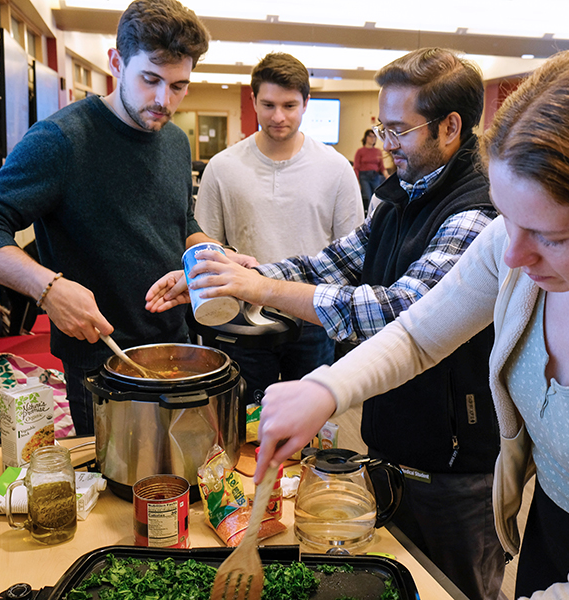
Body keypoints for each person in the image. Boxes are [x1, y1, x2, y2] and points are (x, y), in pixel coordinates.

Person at [255, 42, 569, 600]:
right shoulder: (513, 240)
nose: (511, 257)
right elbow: (418, 335)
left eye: (552, 237)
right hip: (548, 522)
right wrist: (324, 389)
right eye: (506, 216)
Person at [147, 48, 504, 600]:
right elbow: (332, 262)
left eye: (398, 130)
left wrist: (261, 289)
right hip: (394, 438)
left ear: (451, 126)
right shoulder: (401, 193)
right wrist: (234, 274)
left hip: (454, 461)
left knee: (454, 588)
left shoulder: (477, 210)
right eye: (381, 127)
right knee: (401, 579)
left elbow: (401, 311)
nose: (385, 144)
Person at [0, 0, 253, 436]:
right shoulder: (62, 140)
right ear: (116, 62)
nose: (164, 100)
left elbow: (179, 221)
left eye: (179, 85)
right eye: (150, 80)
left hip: (177, 344)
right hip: (103, 364)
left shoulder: (173, 141)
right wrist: (47, 289)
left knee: (185, 488)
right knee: (121, 495)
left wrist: (212, 254)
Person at [194, 52, 364, 401]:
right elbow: (206, 243)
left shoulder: (336, 169)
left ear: (306, 103)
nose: (279, 117)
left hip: (314, 316)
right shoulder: (223, 167)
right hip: (242, 316)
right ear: (253, 100)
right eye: (268, 104)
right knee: (243, 417)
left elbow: (353, 252)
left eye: (289, 105)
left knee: (310, 420)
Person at [353, 129, 388, 212]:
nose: (372, 138)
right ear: (366, 138)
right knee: (368, 197)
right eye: (370, 136)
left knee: (378, 197)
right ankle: (368, 217)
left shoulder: (378, 151)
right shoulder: (360, 151)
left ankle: (377, 215)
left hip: (375, 176)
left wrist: (387, 176)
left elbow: (382, 167)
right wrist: (357, 182)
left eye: (374, 137)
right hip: (364, 177)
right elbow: (356, 168)